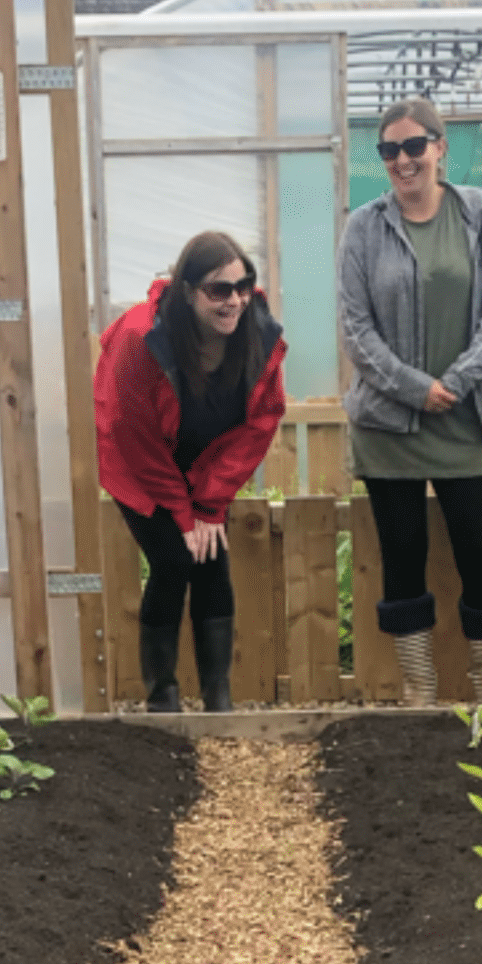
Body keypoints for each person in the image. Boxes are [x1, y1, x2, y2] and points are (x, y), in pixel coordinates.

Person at [337, 97, 482, 705]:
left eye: (415, 146)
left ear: (440, 147)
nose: (403, 161)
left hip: (465, 419)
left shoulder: (478, 214)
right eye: (390, 151)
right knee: (404, 558)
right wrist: (416, 388)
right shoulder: (364, 227)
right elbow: (356, 330)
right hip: (389, 426)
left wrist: (459, 381)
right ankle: (421, 694)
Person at [94, 233, 288, 713]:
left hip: (205, 464)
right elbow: (131, 435)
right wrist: (183, 514)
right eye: (218, 290)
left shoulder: (259, 337)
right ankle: (164, 695)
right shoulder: (143, 340)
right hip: (140, 462)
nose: (235, 300)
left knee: (210, 560)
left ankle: (217, 698)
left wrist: (208, 503)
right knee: (174, 560)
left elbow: (261, 421)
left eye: (244, 285)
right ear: (187, 290)